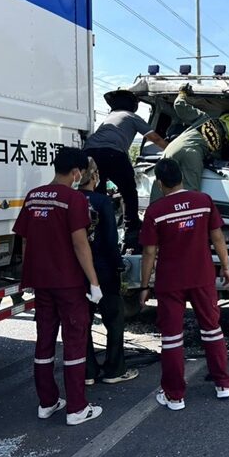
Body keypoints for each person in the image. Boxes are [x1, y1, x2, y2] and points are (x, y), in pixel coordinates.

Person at [13, 147, 104, 426]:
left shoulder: (33, 196)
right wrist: (94, 281)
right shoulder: (73, 199)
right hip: (68, 283)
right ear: (76, 172)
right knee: (75, 341)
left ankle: (47, 402)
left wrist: (28, 275)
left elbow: (26, 241)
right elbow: (80, 243)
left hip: (41, 282)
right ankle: (77, 407)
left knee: (45, 340)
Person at [139, 158, 229, 410]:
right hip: (201, 276)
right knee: (212, 329)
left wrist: (144, 285)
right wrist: (225, 266)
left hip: (170, 281)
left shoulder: (156, 212)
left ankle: (174, 396)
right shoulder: (203, 202)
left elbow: (149, 253)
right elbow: (217, 237)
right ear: (181, 176)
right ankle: (223, 384)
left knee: (171, 338)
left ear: (159, 183)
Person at [78, 157, 140, 386]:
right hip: (103, 269)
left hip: (77, 271)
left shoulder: (70, 199)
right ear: (95, 177)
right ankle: (114, 369)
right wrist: (119, 265)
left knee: (82, 321)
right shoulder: (102, 201)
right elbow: (111, 239)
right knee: (113, 320)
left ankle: (88, 371)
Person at [84, 89, 167, 246]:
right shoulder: (132, 117)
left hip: (89, 153)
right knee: (128, 191)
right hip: (113, 153)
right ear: (132, 105)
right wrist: (171, 150)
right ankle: (132, 230)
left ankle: (96, 229)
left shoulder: (109, 118)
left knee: (97, 192)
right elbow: (154, 137)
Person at [149, 85, 229, 202]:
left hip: (172, 148)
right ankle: (186, 218)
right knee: (190, 196)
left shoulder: (205, 118)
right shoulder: (222, 144)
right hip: (192, 155)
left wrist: (182, 93)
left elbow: (179, 105)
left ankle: (152, 217)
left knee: (159, 186)